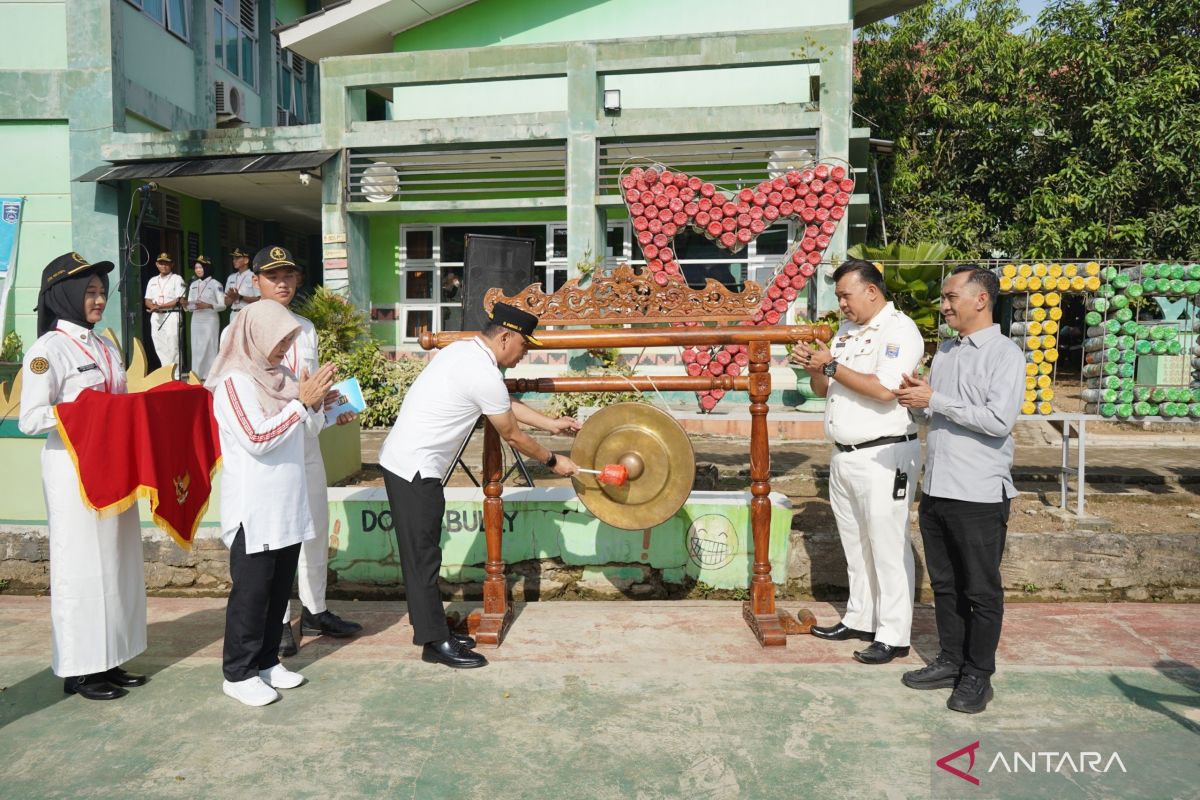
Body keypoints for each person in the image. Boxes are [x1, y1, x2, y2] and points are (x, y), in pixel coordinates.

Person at [378, 302, 581, 668]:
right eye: (524, 346)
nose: (524, 354)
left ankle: (432, 627)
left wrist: (551, 424)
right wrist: (554, 460)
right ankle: (433, 642)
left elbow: (502, 401)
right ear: (505, 337)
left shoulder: (465, 352)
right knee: (423, 558)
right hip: (413, 469)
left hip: (408, 463)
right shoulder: (480, 371)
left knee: (422, 554)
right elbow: (513, 436)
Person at [895, 265, 1024, 714]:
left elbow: (997, 421)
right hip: (939, 487)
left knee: (981, 590)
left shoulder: (1005, 354)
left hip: (979, 492)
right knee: (946, 585)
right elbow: (941, 416)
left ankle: (978, 674)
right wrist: (917, 400)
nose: (944, 305)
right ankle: (950, 660)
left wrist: (935, 400)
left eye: (951, 297)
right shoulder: (946, 351)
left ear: (980, 299)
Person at [19, 252, 148, 700]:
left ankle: (111, 658)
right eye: (89, 292)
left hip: (112, 469)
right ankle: (79, 668)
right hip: (72, 473)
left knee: (116, 564)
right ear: (66, 296)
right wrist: (84, 414)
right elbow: (30, 419)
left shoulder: (105, 346)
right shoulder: (46, 351)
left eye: (100, 292)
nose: (98, 300)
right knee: (82, 570)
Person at [789, 259, 924, 665]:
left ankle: (894, 634)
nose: (841, 303)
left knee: (887, 544)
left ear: (871, 290)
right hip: (845, 455)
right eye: (839, 296)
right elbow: (824, 385)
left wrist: (830, 365)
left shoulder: (899, 330)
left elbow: (885, 390)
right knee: (856, 544)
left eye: (846, 294)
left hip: (884, 454)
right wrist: (815, 365)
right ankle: (861, 617)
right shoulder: (847, 331)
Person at [206, 300, 337, 706]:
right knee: (253, 593)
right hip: (256, 508)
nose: (285, 347)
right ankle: (238, 672)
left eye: (289, 339)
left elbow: (305, 428)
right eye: (279, 339)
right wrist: (301, 404)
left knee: (280, 589)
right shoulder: (234, 383)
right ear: (255, 336)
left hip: (287, 502)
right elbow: (257, 438)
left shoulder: (279, 377)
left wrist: (319, 406)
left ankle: (266, 662)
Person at [246, 245, 363, 657]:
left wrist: (334, 407)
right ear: (254, 279)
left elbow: (308, 385)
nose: (282, 283)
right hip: (271, 443)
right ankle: (278, 621)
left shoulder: (306, 328)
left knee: (313, 526)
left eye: (289, 275)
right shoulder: (241, 329)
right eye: (272, 276)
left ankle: (315, 608)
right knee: (279, 533)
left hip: (307, 440)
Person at [144, 252, 186, 379]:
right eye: (161, 263)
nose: (164, 266)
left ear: (172, 265)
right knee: (159, 344)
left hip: (171, 315)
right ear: (157, 264)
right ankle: (166, 373)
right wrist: (153, 307)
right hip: (156, 316)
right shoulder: (152, 280)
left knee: (173, 345)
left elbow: (180, 299)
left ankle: (176, 374)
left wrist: (160, 307)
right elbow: (147, 299)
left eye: (167, 263)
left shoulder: (177, 279)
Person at [187, 255, 226, 380]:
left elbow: (223, 305)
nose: (198, 270)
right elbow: (189, 304)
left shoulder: (216, 284)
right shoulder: (193, 284)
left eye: (201, 267)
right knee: (196, 346)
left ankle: (210, 375)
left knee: (210, 346)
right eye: (196, 267)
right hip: (196, 318)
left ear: (208, 268)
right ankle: (196, 375)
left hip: (210, 319)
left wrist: (208, 305)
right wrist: (185, 305)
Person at [223, 246, 259, 317]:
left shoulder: (254, 276)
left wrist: (240, 297)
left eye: (237, 258)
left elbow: (259, 299)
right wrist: (231, 297)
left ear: (246, 260)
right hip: (233, 314)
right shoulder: (231, 277)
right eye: (233, 258)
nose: (234, 260)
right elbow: (225, 302)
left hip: (248, 314)